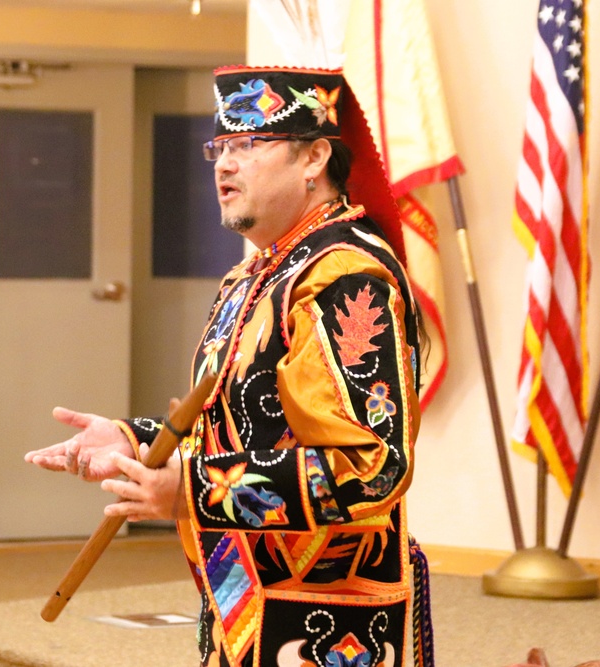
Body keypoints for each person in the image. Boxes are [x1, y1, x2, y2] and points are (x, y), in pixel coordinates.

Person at [25, 65, 433, 667]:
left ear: (315, 157)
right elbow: (236, 413)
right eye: (219, 146)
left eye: (248, 145)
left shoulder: (346, 276)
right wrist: (134, 439)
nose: (223, 164)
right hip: (243, 589)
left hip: (325, 603)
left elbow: (370, 466)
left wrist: (191, 490)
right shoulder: (254, 273)